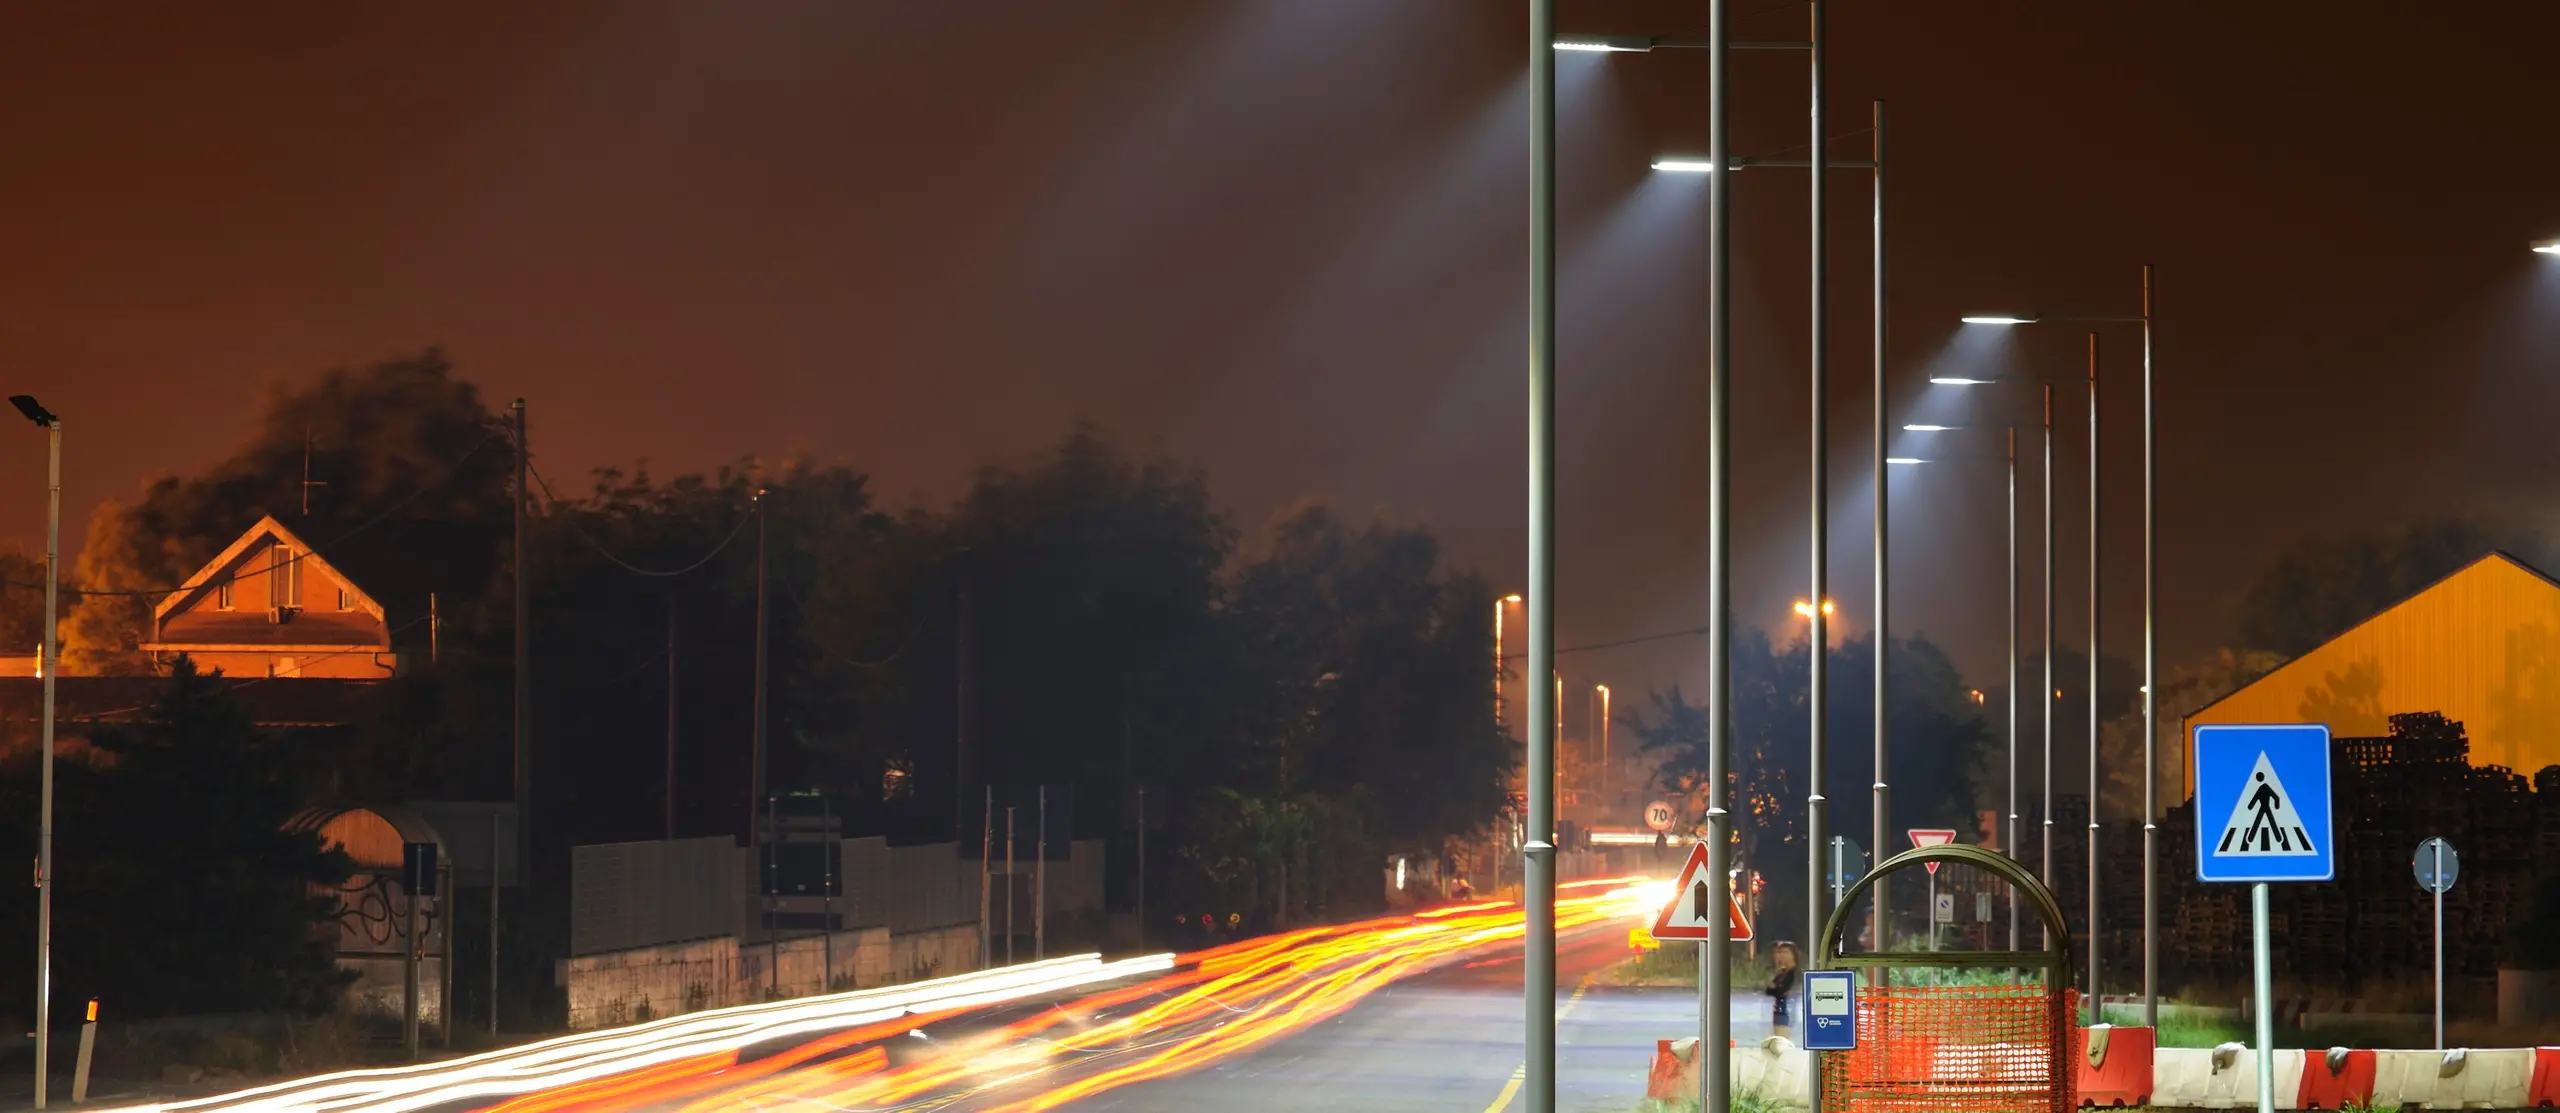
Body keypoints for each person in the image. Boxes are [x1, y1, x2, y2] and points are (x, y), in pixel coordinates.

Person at [1766, 941, 1802, 1039]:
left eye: (1785, 952)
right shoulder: (1781, 974)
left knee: (1781, 1041)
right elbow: (1769, 990)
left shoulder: (1795, 974)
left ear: (1793, 955)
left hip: (1786, 1013)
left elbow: (1785, 992)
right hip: (1779, 1011)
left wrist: (1776, 988)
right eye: (1779, 952)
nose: (1781, 955)